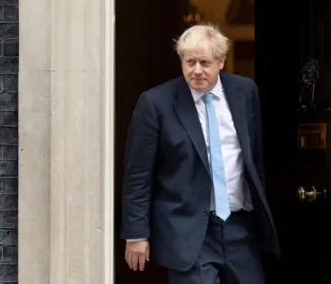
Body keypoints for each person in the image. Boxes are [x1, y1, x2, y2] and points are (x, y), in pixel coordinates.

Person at [120, 24, 280, 284]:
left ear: (221, 61)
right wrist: (136, 234)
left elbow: (254, 158)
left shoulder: (245, 92)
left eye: (204, 62)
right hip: (189, 231)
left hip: (240, 227)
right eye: (189, 61)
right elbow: (138, 175)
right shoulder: (155, 103)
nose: (196, 70)